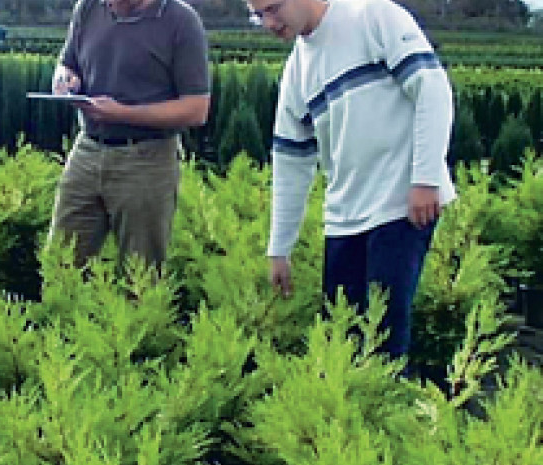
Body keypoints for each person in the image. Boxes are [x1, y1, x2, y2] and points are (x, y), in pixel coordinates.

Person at [253, 0, 457, 358]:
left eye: (273, 8)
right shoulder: (297, 71)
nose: (269, 23)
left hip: (400, 207)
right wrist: (279, 249)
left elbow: (432, 89)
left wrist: (425, 179)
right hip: (344, 219)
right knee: (341, 343)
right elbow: (290, 162)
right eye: (259, 15)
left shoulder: (373, 16)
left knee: (384, 343)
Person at [48, 0, 210, 269]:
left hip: (148, 158)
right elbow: (67, 64)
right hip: (87, 149)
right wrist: (65, 80)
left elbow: (196, 109)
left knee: (140, 272)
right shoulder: (88, 8)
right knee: (60, 264)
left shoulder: (180, 20)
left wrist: (122, 113)